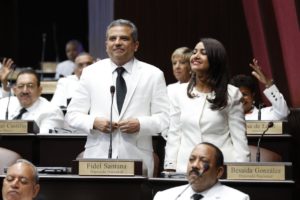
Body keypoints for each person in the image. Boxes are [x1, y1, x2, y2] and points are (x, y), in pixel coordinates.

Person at [65, 19, 169, 177]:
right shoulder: (90, 73)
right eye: (112, 39)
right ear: (106, 45)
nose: (117, 43)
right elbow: (71, 115)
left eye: (124, 38)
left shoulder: (153, 75)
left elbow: (165, 119)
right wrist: (94, 122)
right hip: (97, 159)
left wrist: (140, 123)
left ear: (136, 45)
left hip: (137, 159)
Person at [164, 38, 250, 173]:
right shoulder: (178, 92)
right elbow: (174, 133)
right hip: (185, 168)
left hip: (220, 169)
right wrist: (169, 166)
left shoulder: (232, 94)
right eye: (195, 52)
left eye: (203, 53)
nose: (195, 56)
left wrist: (242, 171)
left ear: (215, 59)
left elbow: (239, 139)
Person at [154, 142, 250, 200]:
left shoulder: (238, 198)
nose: (195, 165)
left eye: (203, 161)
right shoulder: (164, 197)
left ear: (219, 172)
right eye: (191, 159)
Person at [0, 69, 65, 133]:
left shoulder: (52, 112)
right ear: (15, 90)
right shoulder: (3, 104)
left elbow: (43, 141)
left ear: (39, 90)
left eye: (30, 86)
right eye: (20, 86)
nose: (25, 91)